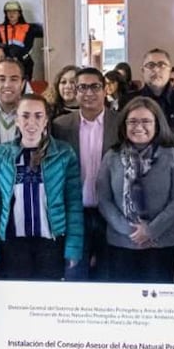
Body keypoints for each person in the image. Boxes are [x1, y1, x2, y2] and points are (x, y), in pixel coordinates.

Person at [0, 95, 83, 280]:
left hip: (51, 243)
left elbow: (73, 204)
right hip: (12, 243)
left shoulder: (64, 153)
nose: (31, 122)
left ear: (46, 120)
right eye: (25, 116)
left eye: (38, 116)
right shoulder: (1, 154)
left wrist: (73, 247)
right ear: (17, 120)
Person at [97, 97, 174, 284]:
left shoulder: (172, 155)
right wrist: (130, 230)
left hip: (160, 243)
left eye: (146, 121)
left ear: (157, 124)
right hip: (121, 243)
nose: (139, 126)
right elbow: (104, 199)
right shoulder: (111, 156)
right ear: (124, 125)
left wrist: (151, 230)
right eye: (133, 121)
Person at [51, 67, 120, 280]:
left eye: (95, 87)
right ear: (75, 91)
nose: (88, 93)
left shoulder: (121, 124)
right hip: (75, 212)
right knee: (74, 276)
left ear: (105, 89)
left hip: (111, 214)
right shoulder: (60, 126)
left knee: (108, 277)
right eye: (82, 87)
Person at [129, 48, 174, 134]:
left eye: (161, 65)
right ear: (142, 71)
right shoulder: (129, 101)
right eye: (150, 65)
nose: (156, 70)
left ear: (170, 71)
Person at [0, 0, 36, 80]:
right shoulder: (0, 28)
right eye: (9, 12)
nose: (11, 14)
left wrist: (18, 57)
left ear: (19, 14)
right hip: (5, 60)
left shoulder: (28, 28)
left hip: (22, 60)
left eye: (14, 12)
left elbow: (29, 46)